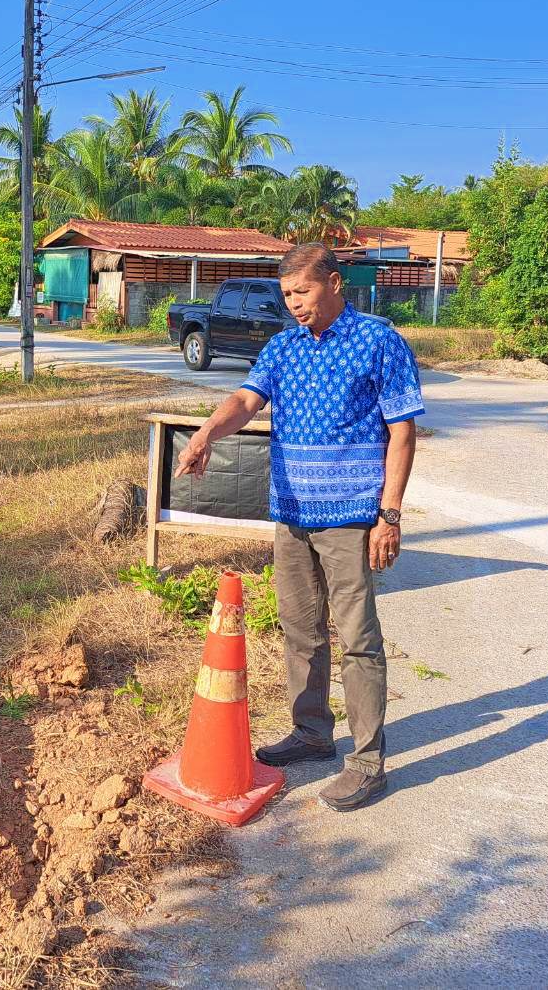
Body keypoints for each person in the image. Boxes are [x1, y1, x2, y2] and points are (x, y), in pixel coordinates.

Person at [175, 243, 422, 812]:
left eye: (302, 292)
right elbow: (245, 398)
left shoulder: (379, 340)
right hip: (291, 512)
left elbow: (402, 433)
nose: (293, 304)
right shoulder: (283, 345)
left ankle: (366, 761)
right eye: (286, 295)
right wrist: (208, 432)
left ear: (335, 283)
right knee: (301, 629)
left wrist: (389, 513)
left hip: (352, 516)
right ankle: (312, 733)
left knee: (357, 636)